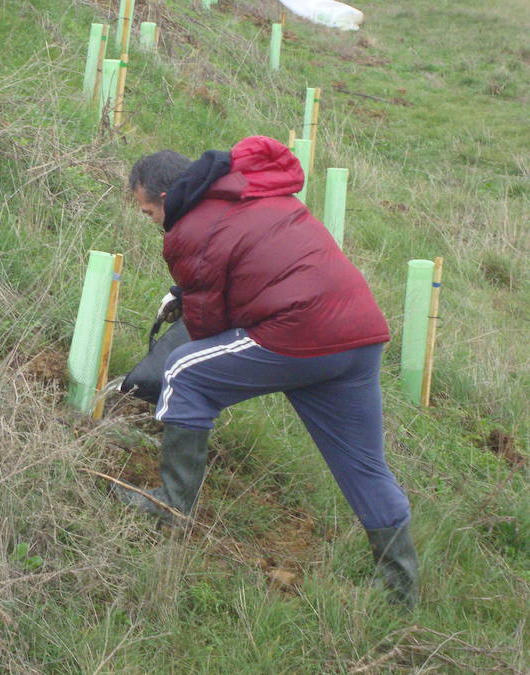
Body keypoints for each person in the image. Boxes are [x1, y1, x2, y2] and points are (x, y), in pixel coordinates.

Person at [119, 136, 418, 608]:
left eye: (147, 214)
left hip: (300, 332)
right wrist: (187, 292)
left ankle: (169, 508)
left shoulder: (187, 229)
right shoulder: (251, 190)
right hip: (357, 335)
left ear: (163, 197)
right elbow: (254, 265)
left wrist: (177, 319)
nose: (153, 224)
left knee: (184, 373)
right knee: (364, 467)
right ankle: (399, 593)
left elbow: (210, 327)